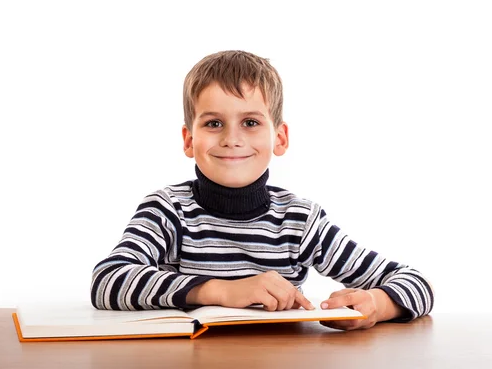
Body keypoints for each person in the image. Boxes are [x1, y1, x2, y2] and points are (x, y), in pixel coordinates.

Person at [90, 50, 434, 330]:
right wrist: (220, 291)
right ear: (189, 140)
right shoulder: (168, 210)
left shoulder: (300, 221)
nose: (232, 138)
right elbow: (107, 280)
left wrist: (377, 304)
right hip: (187, 366)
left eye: (251, 122)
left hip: (280, 366)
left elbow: (416, 282)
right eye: (213, 123)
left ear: (279, 138)